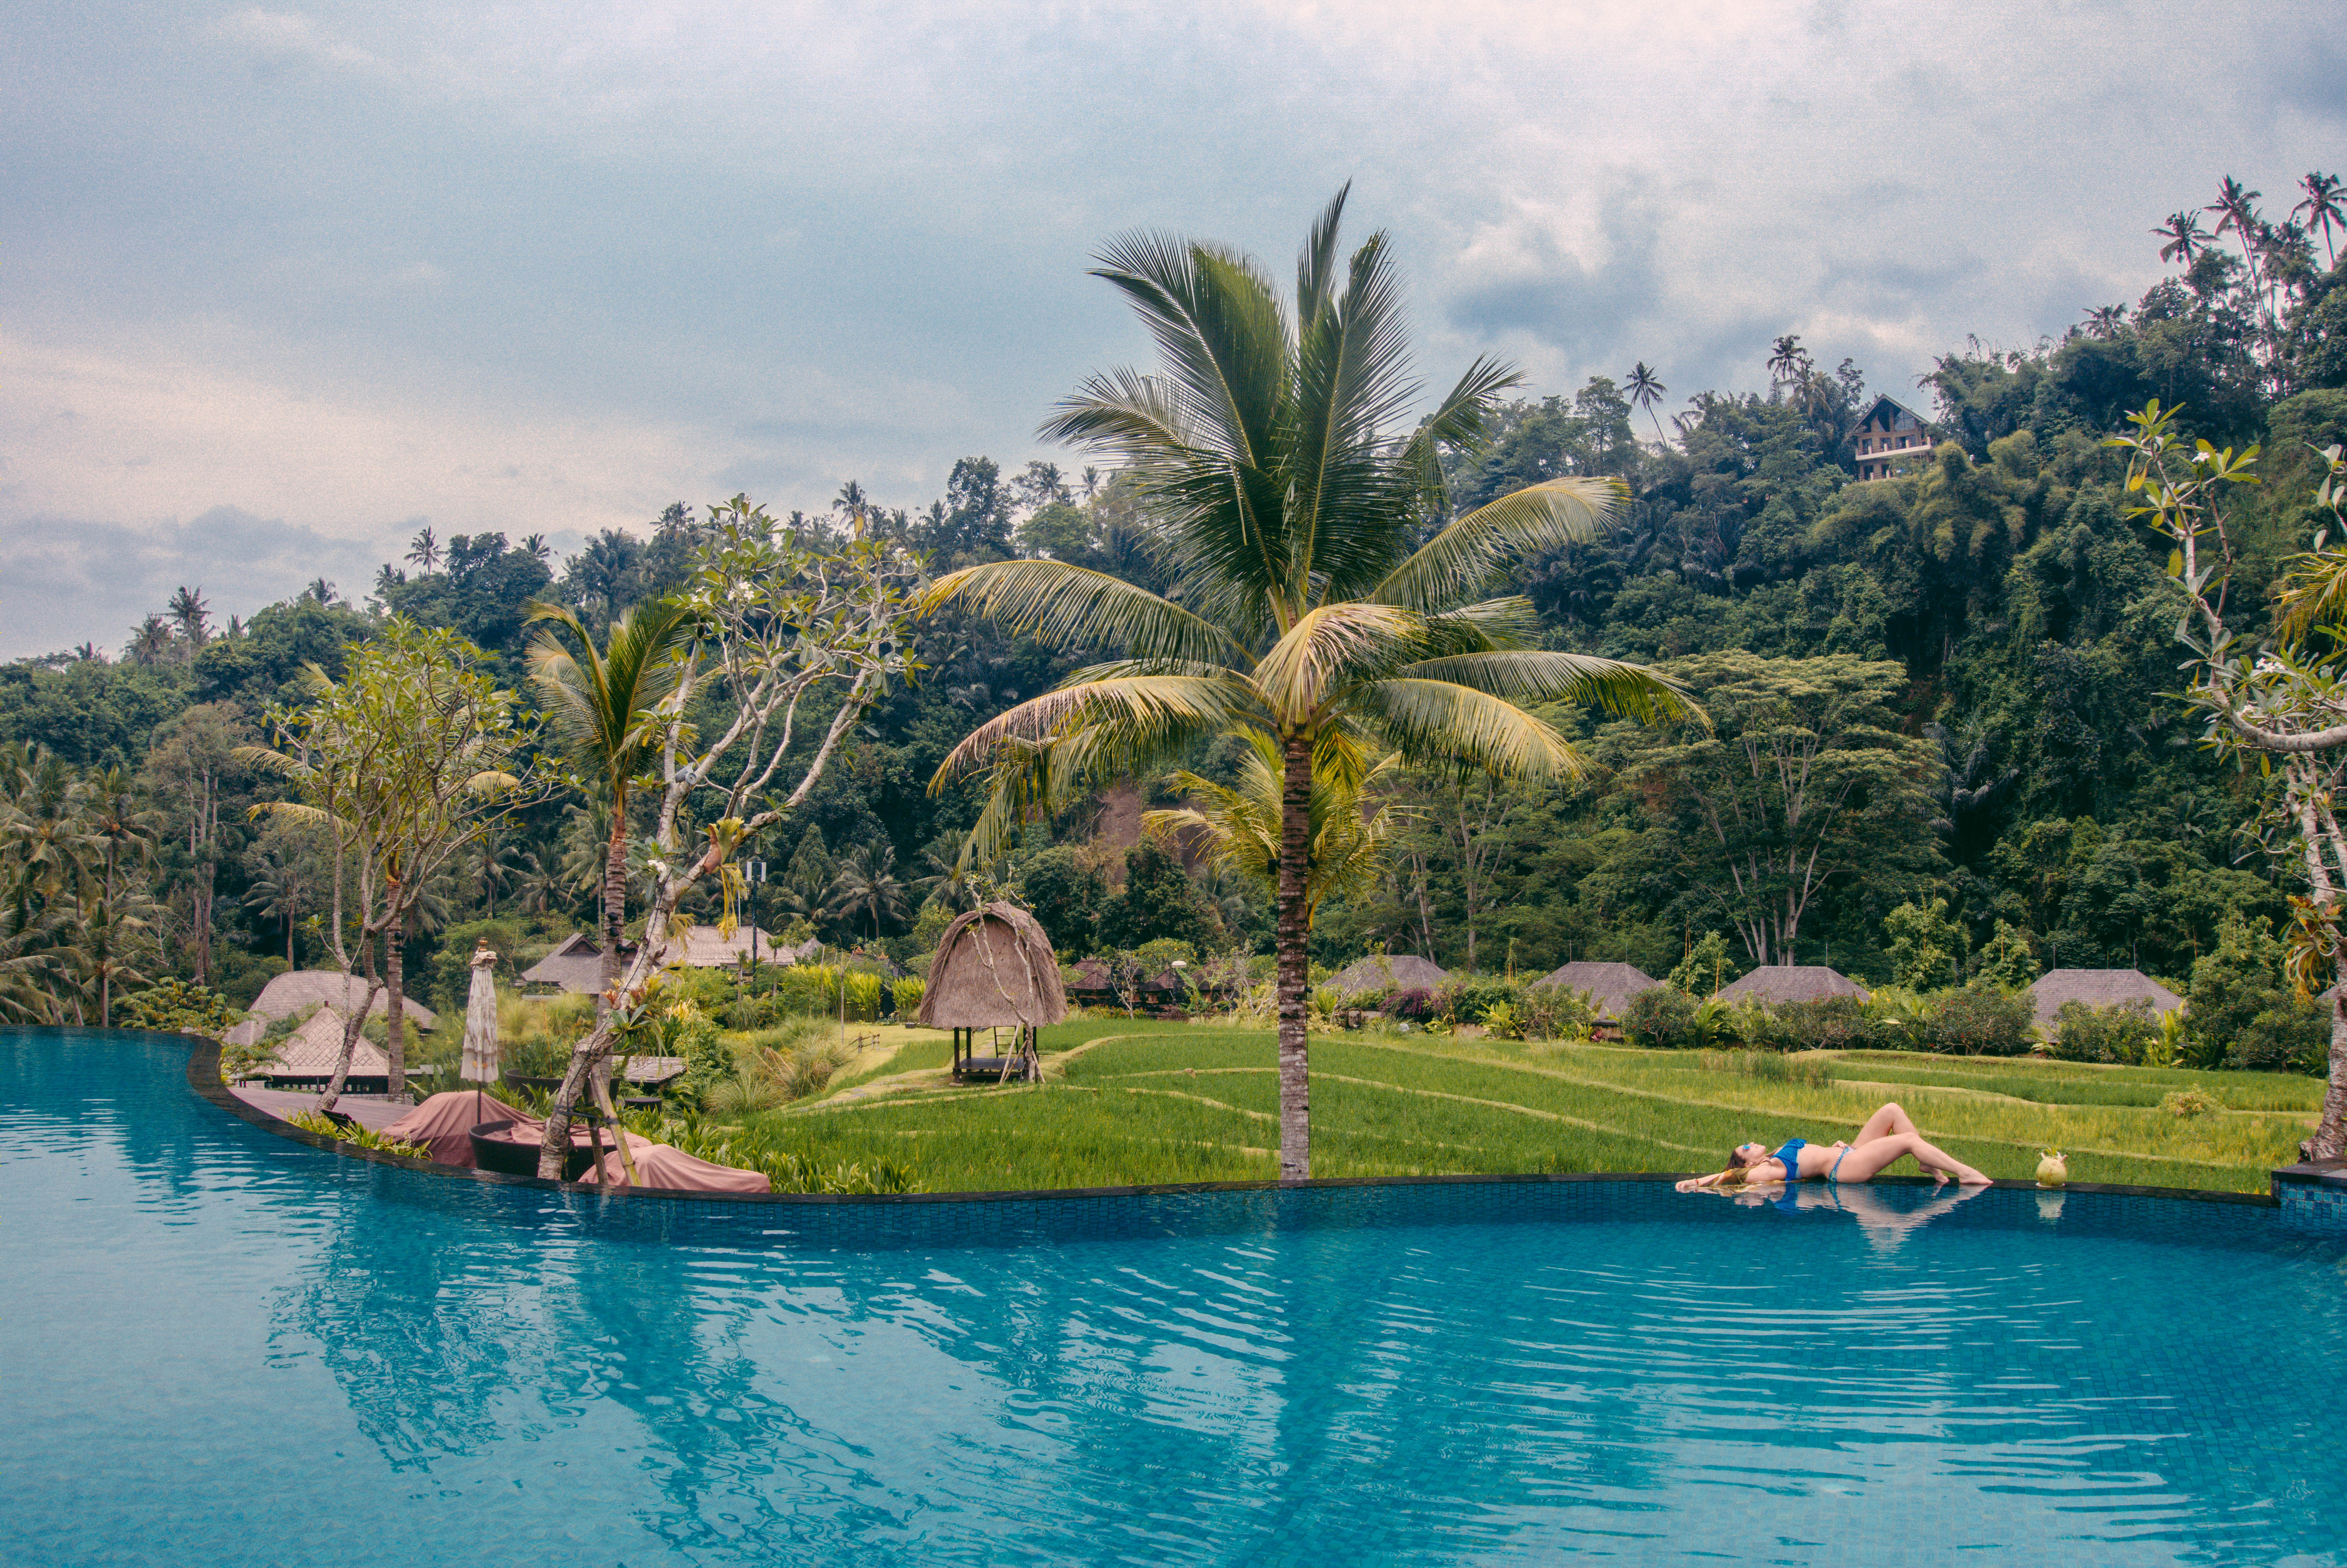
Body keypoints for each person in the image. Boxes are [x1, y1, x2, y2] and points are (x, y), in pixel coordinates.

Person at [1674, 1101, 1990, 1193]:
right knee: (1908, 1141)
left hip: (1846, 1153)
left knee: (1891, 1110)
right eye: (1747, 1147)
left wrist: (1834, 1145)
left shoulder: (1775, 1157)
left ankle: (1926, 1162)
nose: (1752, 1142)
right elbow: (1728, 1178)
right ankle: (1965, 1172)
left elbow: (1812, 1156)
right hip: (1845, 1169)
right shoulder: (1768, 1169)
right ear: (1748, 1164)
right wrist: (1697, 1182)